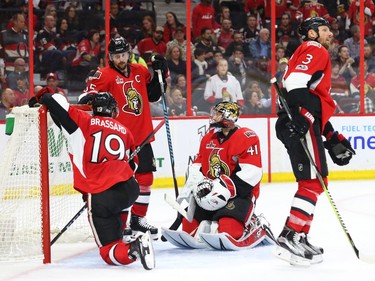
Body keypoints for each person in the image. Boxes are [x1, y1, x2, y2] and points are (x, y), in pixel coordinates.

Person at [28, 89, 155, 270]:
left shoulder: (83, 120)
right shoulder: (125, 131)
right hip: (129, 189)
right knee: (118, 205)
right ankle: (124, 234)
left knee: (108, 251)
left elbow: (57, 101)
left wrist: (43, 96)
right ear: (112, 110)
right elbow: (133, 165)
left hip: (101, 193)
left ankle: (133, 248)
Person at [274, 17, 356, 266]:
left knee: (317, 181)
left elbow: (309, 99)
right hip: (300, 122)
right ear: (311, 33)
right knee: (312, 182)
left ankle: (299, 234)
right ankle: (290, 235)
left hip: (300, 121)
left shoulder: (305, 51)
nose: (329, 34)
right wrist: (302, 117)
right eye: (324, 29)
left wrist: (331, 136)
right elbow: (295, 85)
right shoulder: (314, 48)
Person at [80, 37, 168, 240]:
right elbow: (86, 98)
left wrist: (161, 73)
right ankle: (119, 223)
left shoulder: (140, 71)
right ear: (110, 57)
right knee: (121, 182)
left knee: (145, 177)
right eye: (116, 56)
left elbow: (154, 95)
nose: (120, 59)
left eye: (123, 55)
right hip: (118, 140)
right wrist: (93, 97)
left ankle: (138, 220)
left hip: (143, 136)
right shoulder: (103, 74)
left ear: (129, 54)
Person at [170, 101, 271, 248]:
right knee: (188, 227)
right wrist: (194, 187)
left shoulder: (247, 136)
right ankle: (211, 223)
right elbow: (197, 165)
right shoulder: (208, 137)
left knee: (230, 230)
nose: (214, 116)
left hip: (238, 195)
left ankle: (252, 224)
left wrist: (222, 188)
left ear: (229, 117)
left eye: (218, 114)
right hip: (209, 194)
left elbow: (253, 172)